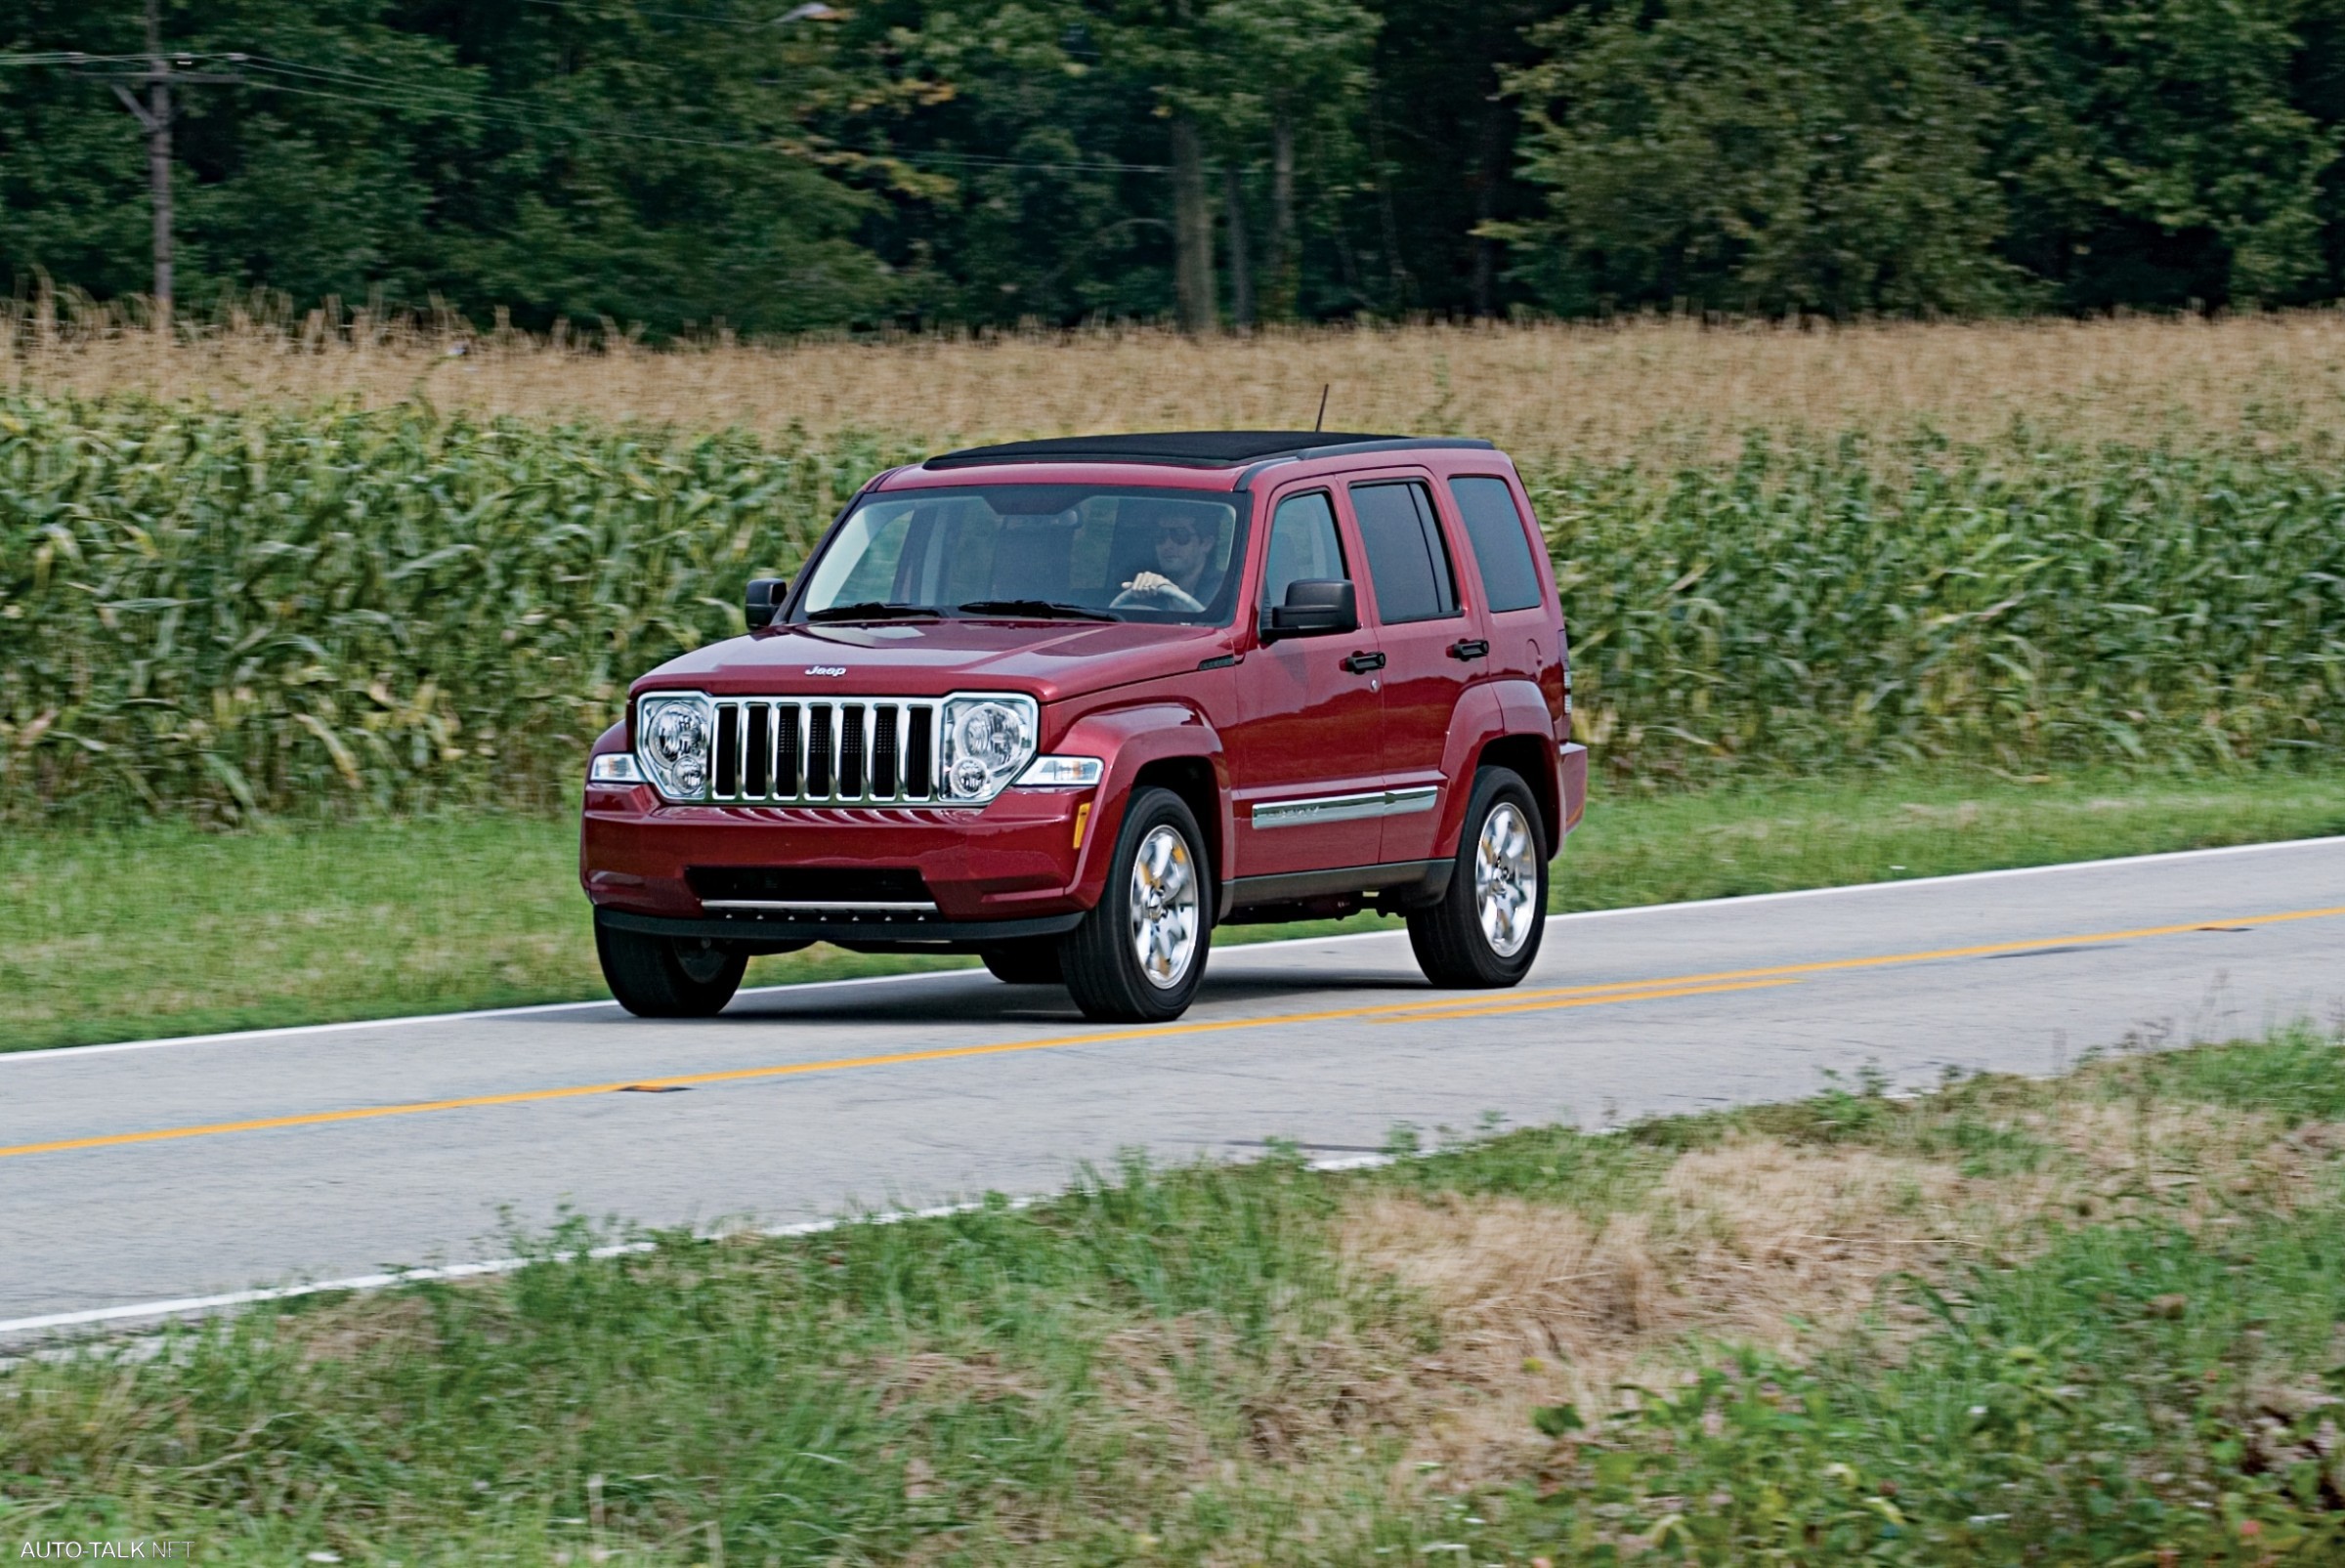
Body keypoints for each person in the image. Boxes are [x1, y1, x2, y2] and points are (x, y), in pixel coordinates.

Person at [1111, 500, 1222, 613]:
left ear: (1206, 544)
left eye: (1180, 535)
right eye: (1160, 535)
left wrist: (1175, 596)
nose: (1167, 545)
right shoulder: (1145, 590)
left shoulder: (1225, 593)